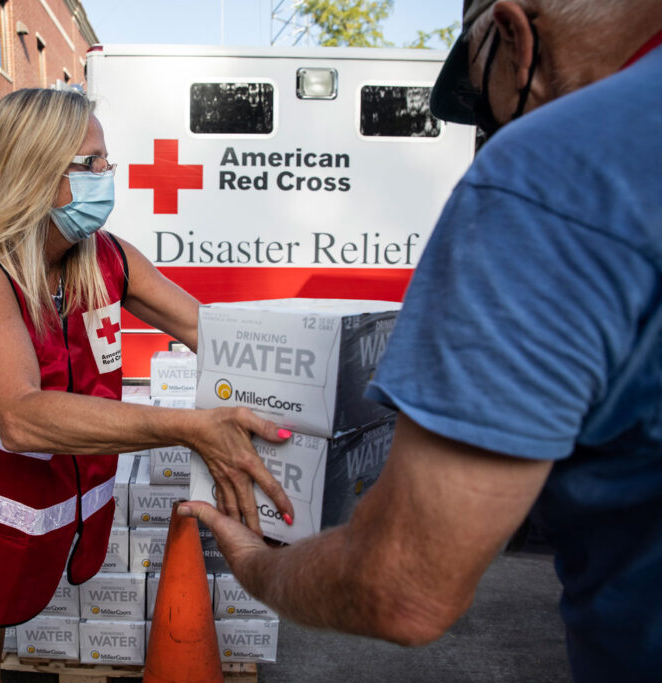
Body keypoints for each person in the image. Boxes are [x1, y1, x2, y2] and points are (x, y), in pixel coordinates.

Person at [180, 1, 662, 680]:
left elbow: (404, 588)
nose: (488, 128)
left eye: (482, 101)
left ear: (515, 38)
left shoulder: (552, 172)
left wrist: (260, 564)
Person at [0, 88, 294, 683]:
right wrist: (191, 429)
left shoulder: (102, 257)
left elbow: (214, 336)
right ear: (34, 172)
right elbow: (20, 418)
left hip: (42, 518)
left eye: (106, 161)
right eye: (90, 163)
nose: (107, 176)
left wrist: (315, 396)